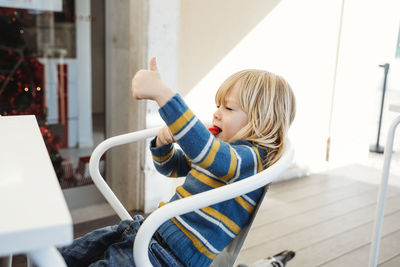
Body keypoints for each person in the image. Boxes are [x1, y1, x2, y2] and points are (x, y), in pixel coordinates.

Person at [59, 57, 296, 267]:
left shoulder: (251, 161)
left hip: (167, 258)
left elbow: (207, 152)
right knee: (62, 255)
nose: (216, 113)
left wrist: (164, 95)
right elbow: (171, 167)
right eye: (217, 105)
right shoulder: (222, 152)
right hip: (145, 232)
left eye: (229, 108)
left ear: (262, 120)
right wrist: (163, 146)